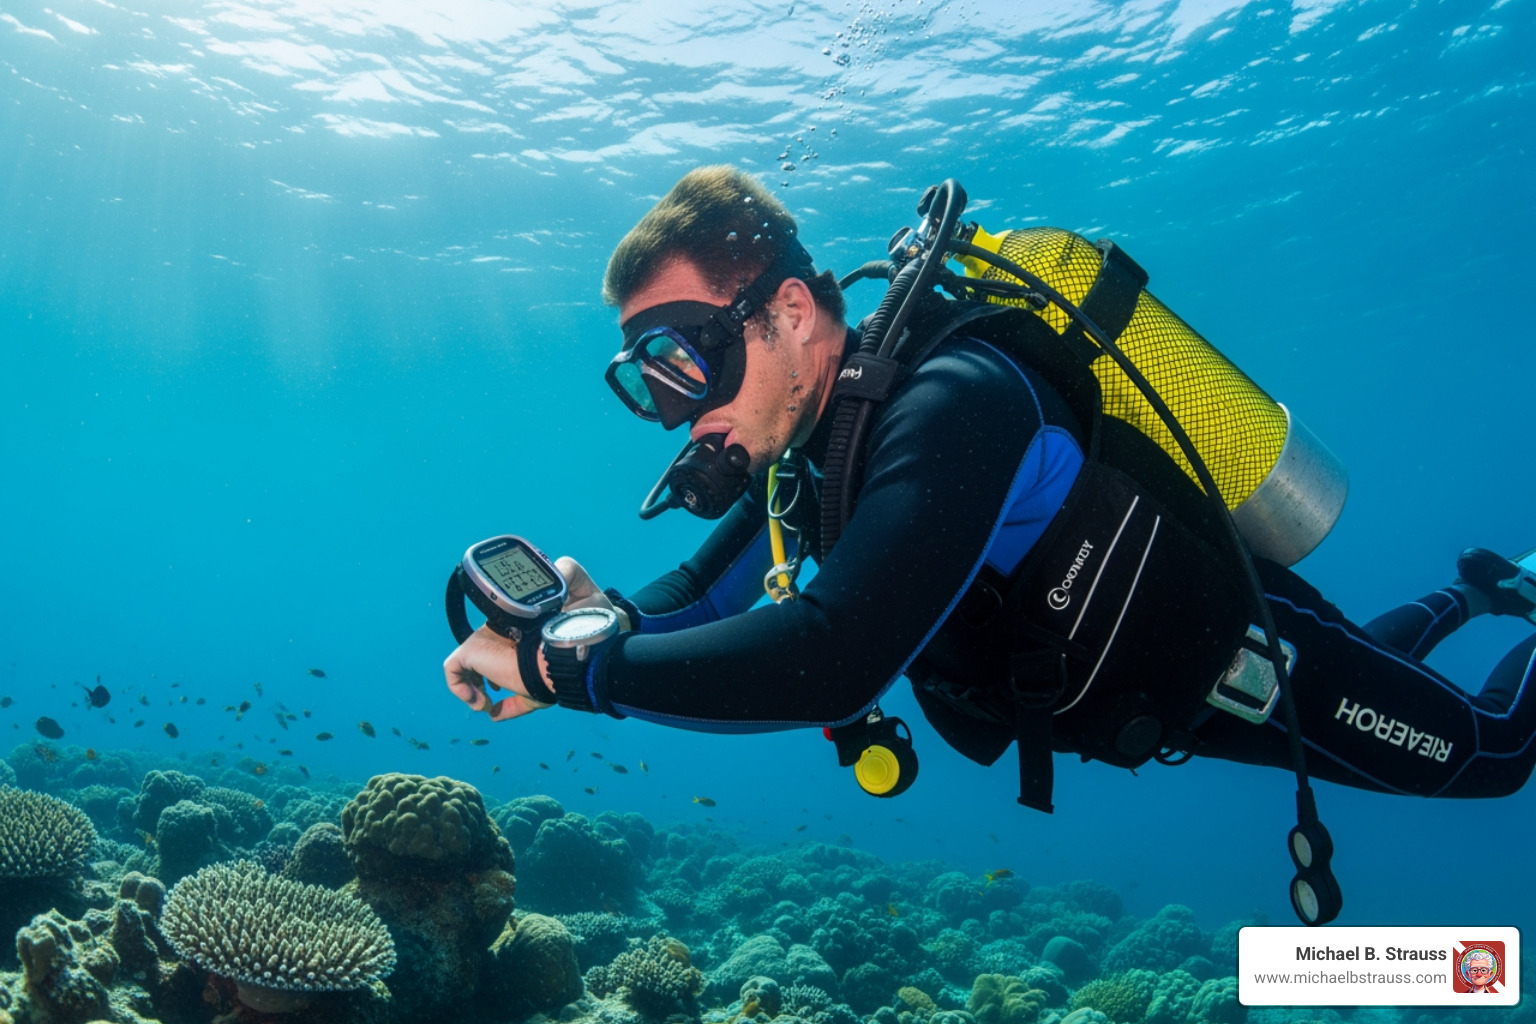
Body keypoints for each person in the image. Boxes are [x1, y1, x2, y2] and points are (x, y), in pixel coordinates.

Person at [443, 164, 1536, 812]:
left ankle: (1523, 600)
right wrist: (595, 622)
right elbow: (700, 591)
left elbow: (833, 659)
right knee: (1381, 671)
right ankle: (1475, 592)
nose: (681, 410)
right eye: (649, 381)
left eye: (686, 357)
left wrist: (575, 671)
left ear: (785, 311)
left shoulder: (958, 397)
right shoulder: (811, 455)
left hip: (1241, 650)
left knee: (1494, 754)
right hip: (1155, 697)